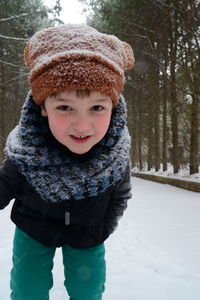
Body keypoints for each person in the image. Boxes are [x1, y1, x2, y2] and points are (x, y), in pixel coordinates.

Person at [0, 24, 134, 300]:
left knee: (88, 291)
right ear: (43, 108)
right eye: (64, 107)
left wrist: (102, 229)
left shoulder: (115, 155)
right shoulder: (26, 150)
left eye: (97, 107)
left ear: (113, 107)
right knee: (28, 290)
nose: (82, 125)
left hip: (87, 234)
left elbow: (120, 196)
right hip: (33, 229)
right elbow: (3, 185)